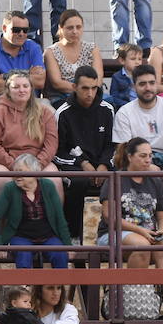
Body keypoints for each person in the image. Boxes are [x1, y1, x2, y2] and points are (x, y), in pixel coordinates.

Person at [98, 137, 163, 318]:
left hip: (147, 235)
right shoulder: (115, 179)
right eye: (143, 156)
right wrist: (141, 231)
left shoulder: (154, 182)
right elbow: (110, 217)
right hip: (114, 233)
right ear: (130, 157)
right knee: (142, 245)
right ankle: (130, 300)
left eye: (150, 156)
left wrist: (162, 230)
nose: (148, 160)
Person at [54, 65, 115, 241]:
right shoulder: (63, 112)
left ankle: (110, 235)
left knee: (116, 181)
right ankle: (72, 236)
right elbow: (58, 150)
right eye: (85, 88)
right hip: (74, 166)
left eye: (94, 88)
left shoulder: (108, 110)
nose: (90, 93)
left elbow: (113, 145)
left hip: (103, 166)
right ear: (74, 87)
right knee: (78, 182)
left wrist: (103, 165)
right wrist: (82, 163)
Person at [0, 71, 57, 198]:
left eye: (25, 86)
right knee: (2, 181)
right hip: (2, 162)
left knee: (54, 180)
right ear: (8, 90)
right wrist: (14, 166)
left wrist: (36, 166)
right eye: (16, 87)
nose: (21, 90)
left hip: (37, 161)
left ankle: (53, 218)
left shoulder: (45, 112)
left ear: (31, 89)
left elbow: (51, 144)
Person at [0, 153, 73, 269]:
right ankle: (25, 286)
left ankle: (57, 285)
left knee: (59, 254)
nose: (17, 175)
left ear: (34, 172)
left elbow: (60, 218)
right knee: (23, 254)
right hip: (21, 237)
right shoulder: (10, 188)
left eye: (21, 171)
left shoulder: (48, 186)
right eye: (15, 171)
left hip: (48, 236)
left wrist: (67, 245)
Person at [112, 63, 163, 171]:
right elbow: (124, 150)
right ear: (134, 86)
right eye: (142, 84)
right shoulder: (124, 113)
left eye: (152, 83)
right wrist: (147, 167)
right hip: (136, 161)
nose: (148, 88)